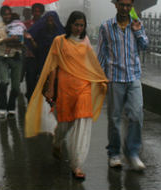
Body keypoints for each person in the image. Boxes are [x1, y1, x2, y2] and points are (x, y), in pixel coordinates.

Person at [25, 11, 108, 180]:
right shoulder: (59, 41)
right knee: (65, 123)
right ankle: (57, 141)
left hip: (83, 86)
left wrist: (100, 79)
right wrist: (50, 89)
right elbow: (53, 66)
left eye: (82, 25)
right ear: (69, 24)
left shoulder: (85, 42)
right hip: (65, 87)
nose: (79, 28)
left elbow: (92, 63)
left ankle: (77, 165)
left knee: (83, 122)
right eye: (76, 24)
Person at [97, 0, 149, 171]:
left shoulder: (137, 25)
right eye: (122, 5)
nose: (125, 9)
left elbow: (145, 46)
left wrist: (138, 32)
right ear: (116, 5)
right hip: (114, 78)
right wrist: (100, 77)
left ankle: (133, 153)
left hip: (134, 77)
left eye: (129, 6)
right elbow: (102, 53)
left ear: (132, 7)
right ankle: (114, 154)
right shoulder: (105, 26)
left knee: (136, 116)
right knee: (115, 118)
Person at [0, 5, 24, 117]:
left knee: (15, 86)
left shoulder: (17, 25)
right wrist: (7, 39)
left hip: (17, 57)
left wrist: (20, 41)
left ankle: (11, 107)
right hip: (3, 58)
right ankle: (2, 107)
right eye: (5, 14)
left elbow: (22, 41)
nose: (7, 16)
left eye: (9, 14)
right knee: (4, 82)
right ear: (1, 15)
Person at [28, 11, 65, 78]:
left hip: (57, 62)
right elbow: (37, 47)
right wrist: (31, 40)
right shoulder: (41, 32)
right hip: (43, 61)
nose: (49, 22)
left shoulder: (61, 32)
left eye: (51, 20)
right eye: (47, 20)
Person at [22, 3, 45, 102]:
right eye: (35, 11)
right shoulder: (26, 24)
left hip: (41, 56)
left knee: (39, 80)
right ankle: (30, 99)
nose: (37, 13)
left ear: (42, 12)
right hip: (29, 56)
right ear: (32, 12)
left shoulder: (45, 24)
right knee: (30, 79)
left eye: (39, 11)